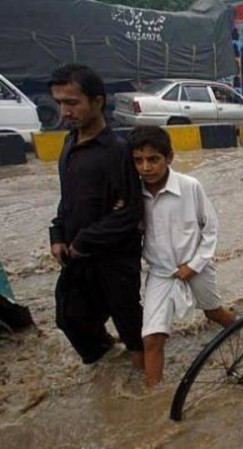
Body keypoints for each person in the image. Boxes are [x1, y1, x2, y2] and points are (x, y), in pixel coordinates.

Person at [48, 64, 144, 366]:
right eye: (60, 103)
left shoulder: (118, 151)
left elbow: (130, 212)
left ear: (98, 102)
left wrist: (85, 239)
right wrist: (58, 235)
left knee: (130, 324)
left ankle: (145, 390)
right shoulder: (68, 144)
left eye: (72, 102)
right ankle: (105, 358)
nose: (65, 111)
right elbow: (68, 198)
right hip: (77, 254)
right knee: (69, 316)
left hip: (115, 258)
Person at [128, 126, 236, 387]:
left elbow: (210, 228)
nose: (146, 167)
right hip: (160, 273)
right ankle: (153, 400)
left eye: (153, 159)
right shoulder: (132, 193)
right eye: (138, 161)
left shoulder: (190, 187)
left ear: (169, 158)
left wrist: (195, 264)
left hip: (196, 266)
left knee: (214, 313)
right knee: (152, 338)